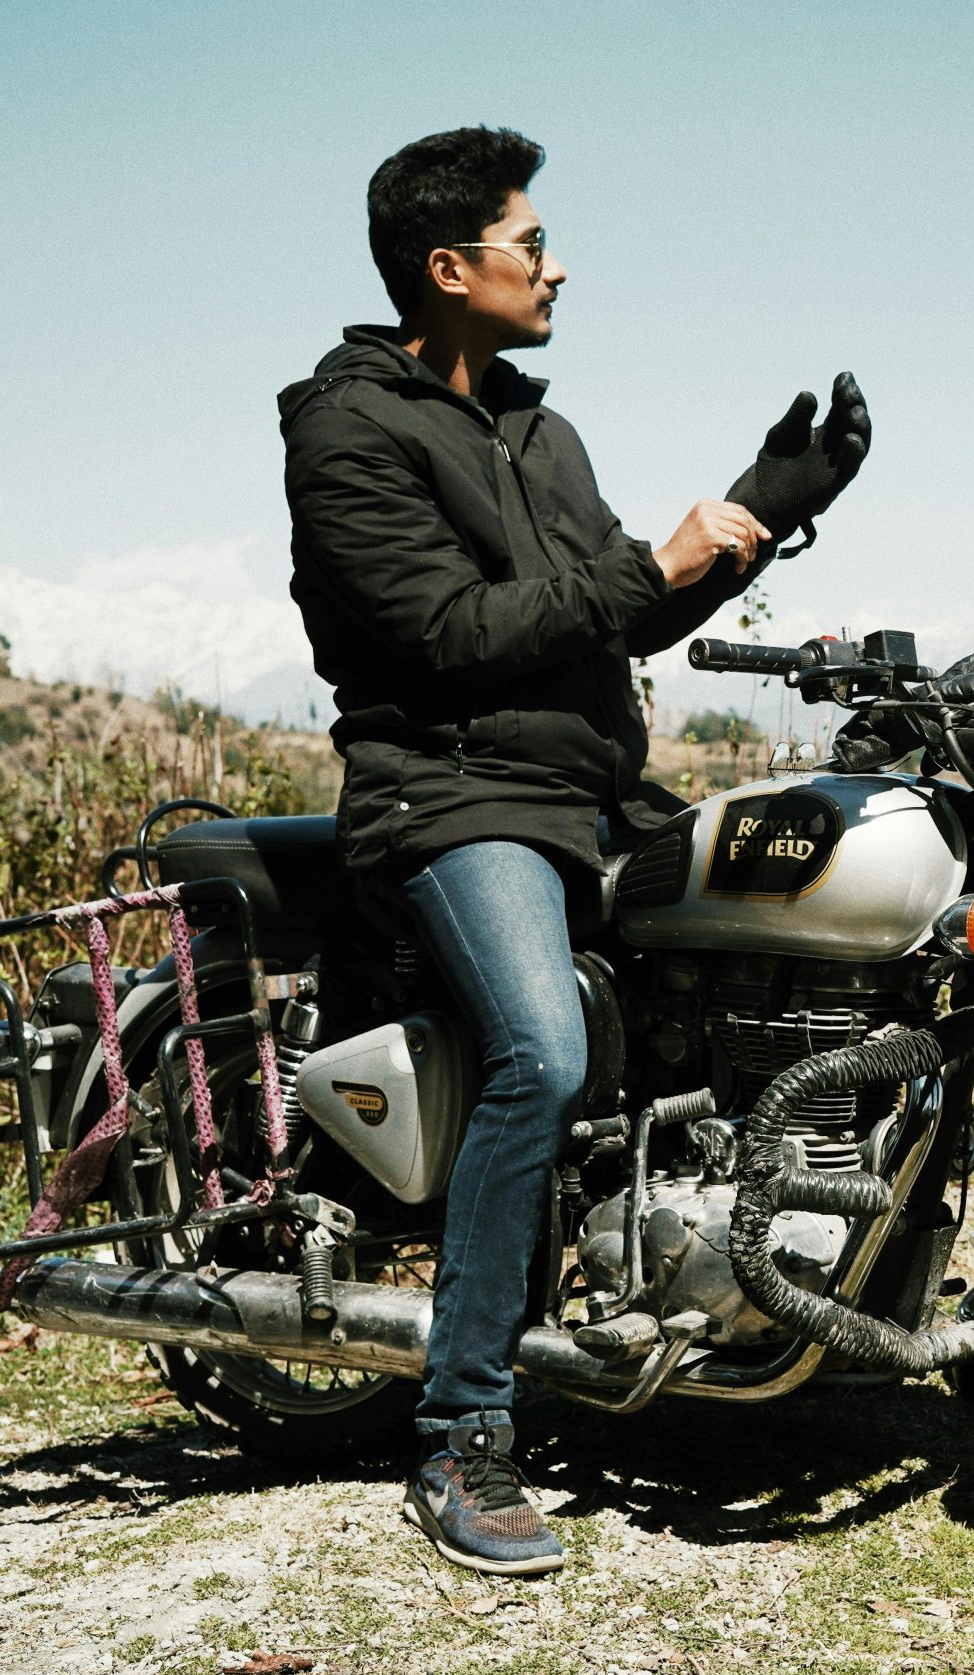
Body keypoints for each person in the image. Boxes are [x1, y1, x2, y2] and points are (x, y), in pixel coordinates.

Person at [280, 126, 869, 1575]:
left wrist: (765, 506)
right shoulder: (347, 428)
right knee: (541, 1047)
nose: (556, 264)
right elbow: (443, 638)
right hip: (451, 794)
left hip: (591, 794)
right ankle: (464, 1433)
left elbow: (615, 610)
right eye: (530, 243)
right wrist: (640, 569)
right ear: (448, 267)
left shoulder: (542, 432)